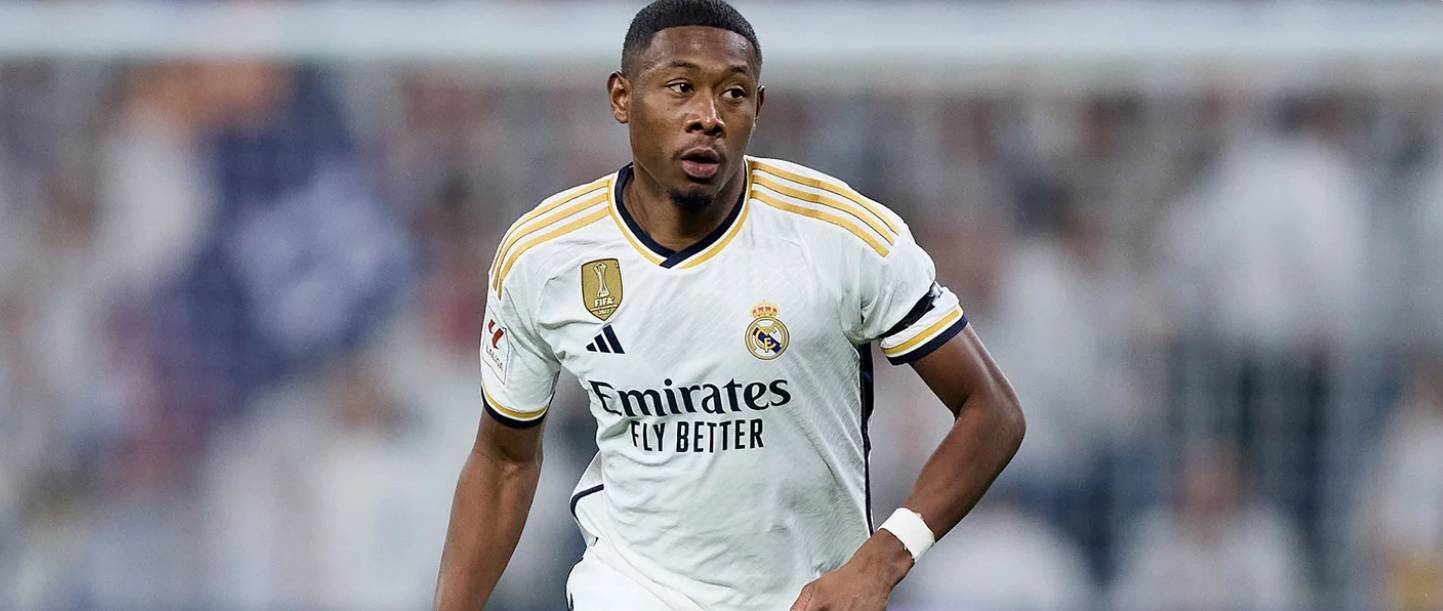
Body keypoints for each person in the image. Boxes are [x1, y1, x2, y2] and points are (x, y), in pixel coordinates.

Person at [433, 1, 1025, 609]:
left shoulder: (841, 234)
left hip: (804, 597)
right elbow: (504, 459)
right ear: (622, 97)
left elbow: (993, 411)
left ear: (757, 108)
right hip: (629, 589)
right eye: (681, 88)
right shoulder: (544, 254)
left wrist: (882, 559)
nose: (708, 117)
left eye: (734, 94)